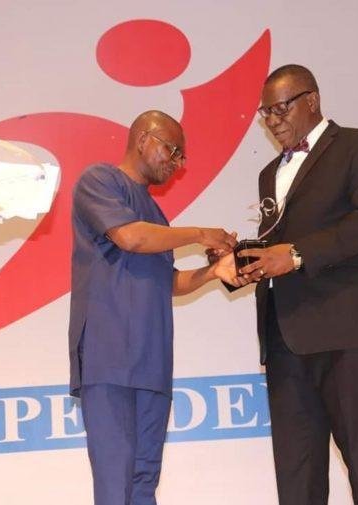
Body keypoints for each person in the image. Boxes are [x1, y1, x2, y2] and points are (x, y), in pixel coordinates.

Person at [236, 64, 358, 505]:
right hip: (284, 334)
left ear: (312, 100)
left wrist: (293, 255)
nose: (272, 121)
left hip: (342, 328)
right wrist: (247, 264)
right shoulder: (269, 172)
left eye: (279, 108)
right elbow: (279, 240)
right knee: (296, 469)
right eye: (264, 113)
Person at [69, 110, 243, 505]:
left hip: (152, 363)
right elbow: (130, 238)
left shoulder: (157, 216)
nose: (176, 163)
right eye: (172, 150)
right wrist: (200, 233)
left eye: (181, 157)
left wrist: (214, 270)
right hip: (109, 358)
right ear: (144, 138)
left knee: (144, 482)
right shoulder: (98, 181)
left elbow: (170, 283)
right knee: (115, 484)